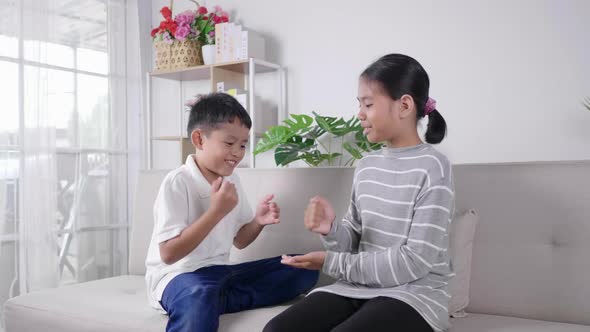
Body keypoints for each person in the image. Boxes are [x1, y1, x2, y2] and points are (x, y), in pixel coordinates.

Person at [264, 54, 455, 332]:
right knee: (277, 330)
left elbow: (413, 263)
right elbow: (351, 243)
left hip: (414, 296)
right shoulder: (366, 165)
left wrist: (330, 261)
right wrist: (330, 229)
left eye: (368, 104)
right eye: (359, 105)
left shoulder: (434, 166)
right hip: (357, 288)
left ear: (403, 105)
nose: (360, 114)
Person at [145, 92, 318, 332]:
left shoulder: (231, 179)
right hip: (178, 277)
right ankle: (207, 301)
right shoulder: (177, 182)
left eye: (243, 145)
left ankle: (214, 301)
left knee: (302, 266)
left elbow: (240, 240)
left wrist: (258, 221)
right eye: (229, 143)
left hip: (220, 274)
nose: (237, 152)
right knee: (198, 293)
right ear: (199, 139)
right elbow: (168, 254)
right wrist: (216, 212)